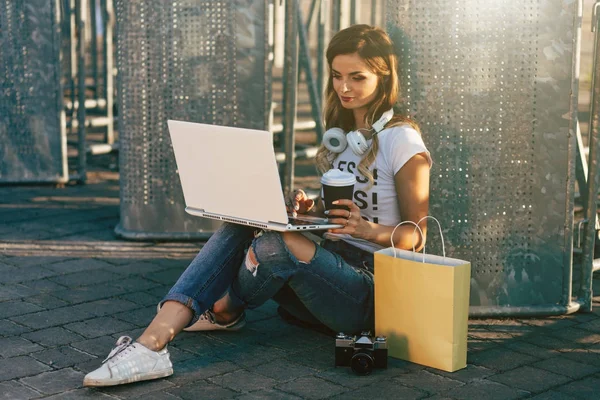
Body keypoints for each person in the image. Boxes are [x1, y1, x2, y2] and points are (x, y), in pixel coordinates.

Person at [83, 24, 431, 387]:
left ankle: (222, 310)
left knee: (275, 243)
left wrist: (366, 230)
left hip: (372, 290)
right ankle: (151, 344)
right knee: (246, 217)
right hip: (328, 273)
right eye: (337, 76)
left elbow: (418, 235)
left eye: (357, 77)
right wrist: (308, 211)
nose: (344, 87)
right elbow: (341, 215)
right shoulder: (342, 137)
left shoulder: (402, 140)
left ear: (384, 75)